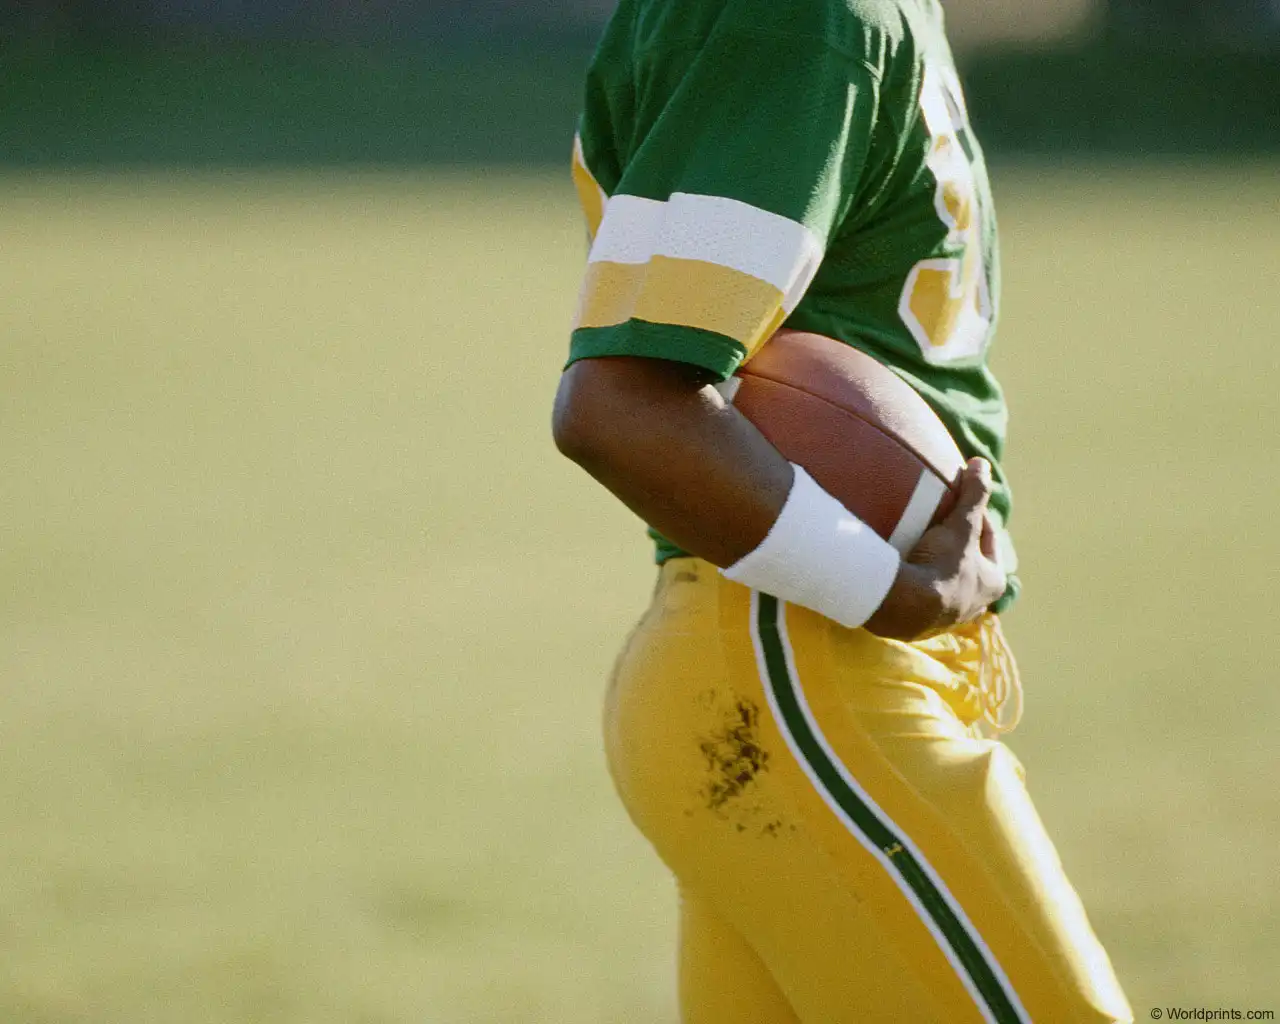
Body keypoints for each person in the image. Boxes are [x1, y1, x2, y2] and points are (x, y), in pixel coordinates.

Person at [552, 0, 1134, 1020]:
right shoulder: (804, 12)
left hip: (776, 676)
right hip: (804, 667)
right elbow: (623, 406)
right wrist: (879, 588)